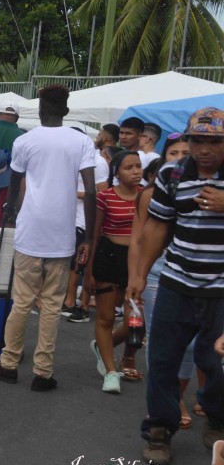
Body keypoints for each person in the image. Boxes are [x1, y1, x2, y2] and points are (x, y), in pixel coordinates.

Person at [0, 85, 97, 391]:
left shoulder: (26, 141)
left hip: (31, 231)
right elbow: (92, 191)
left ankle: (9, 363)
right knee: (51, 305)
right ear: (66, 111)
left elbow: (14, 183)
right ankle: (43, 371)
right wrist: (89, 238)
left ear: (41, 110)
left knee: (21, 301)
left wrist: (9, 211)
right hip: (62, 233)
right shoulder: (81, 141)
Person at [126, 107, 224, 465]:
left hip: (221, 291)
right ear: (188, 139)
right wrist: (138, 275)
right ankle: (158, 431)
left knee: (215, 362)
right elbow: (157, 228)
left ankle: (216, 418)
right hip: (177, 283)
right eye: (198, 140)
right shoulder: (172, 174)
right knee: (163, 361)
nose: (205, 149)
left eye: (215, 141)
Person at [131, 137, 203, 429]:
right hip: (162, 271)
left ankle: (178, 396)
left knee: (194, 348)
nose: (181, 157)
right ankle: (162, 410)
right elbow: (142, 236)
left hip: (210, 278)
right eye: (174, 153)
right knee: (161, 345)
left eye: (185, 152)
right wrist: (137, 275)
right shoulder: (156, 190)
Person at [85, 150, 143, 394]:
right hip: (108, 257)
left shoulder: (147, 196)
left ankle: (103, 345)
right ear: (116, 172)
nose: (136, 171)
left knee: (135, 323)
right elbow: (95, 236)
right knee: (106, 318)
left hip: (137, 262)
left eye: (138, 166)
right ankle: (110, 372)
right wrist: (88, 272)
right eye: (129, 167)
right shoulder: (105, 197)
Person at [63, 131, 111, 323]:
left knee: (82, 263)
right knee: (74, 263)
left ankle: (80, 306)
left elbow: (103, 193)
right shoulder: (76, 159)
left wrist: (75, 193)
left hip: (87, 220)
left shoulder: (97, 163)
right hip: (74, 219)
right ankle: (70, 301)